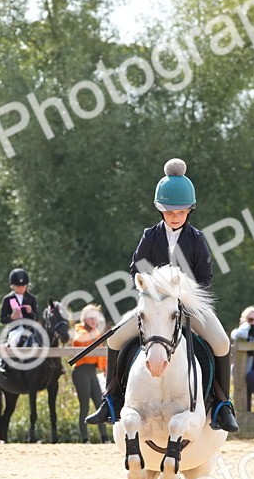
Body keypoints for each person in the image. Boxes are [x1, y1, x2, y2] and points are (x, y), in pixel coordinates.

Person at [85, 158, 239, 432]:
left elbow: (205, 278)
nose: (175, 216)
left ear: (189, 210)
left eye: (180, 211)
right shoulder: (150, 236)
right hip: (153, 306)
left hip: (188, 308)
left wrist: (182, 295)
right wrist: (147, 286)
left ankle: (222, 405)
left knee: (221, 342)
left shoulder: (196, 238)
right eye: (169, 211)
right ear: (161, 210)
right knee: (116, 339)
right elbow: (136, 268)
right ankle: (109, 399)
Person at [70, 304, 110, 444]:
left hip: (92, 371)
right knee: (85, 405)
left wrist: (104, 368)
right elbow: (79, 342)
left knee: (100, 403)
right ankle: (85, 438)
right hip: (81, 371)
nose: (94, 320)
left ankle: (105, 438)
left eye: (95, 317)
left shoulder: (95, 333)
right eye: (90, 318)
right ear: (84, 319)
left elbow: (100, 355)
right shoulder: (81, 332)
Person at [0, 268, 39, 348]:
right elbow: (2, 319)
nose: (21, 288)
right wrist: (11, 317)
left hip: (29, 329)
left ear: (26, 286)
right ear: (12, 286)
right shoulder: (7, 299)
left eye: (23, 286)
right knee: (14, 341)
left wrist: (30, 312)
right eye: (18, 286)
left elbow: (36, 317)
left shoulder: (31, 298)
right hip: (15, 329)